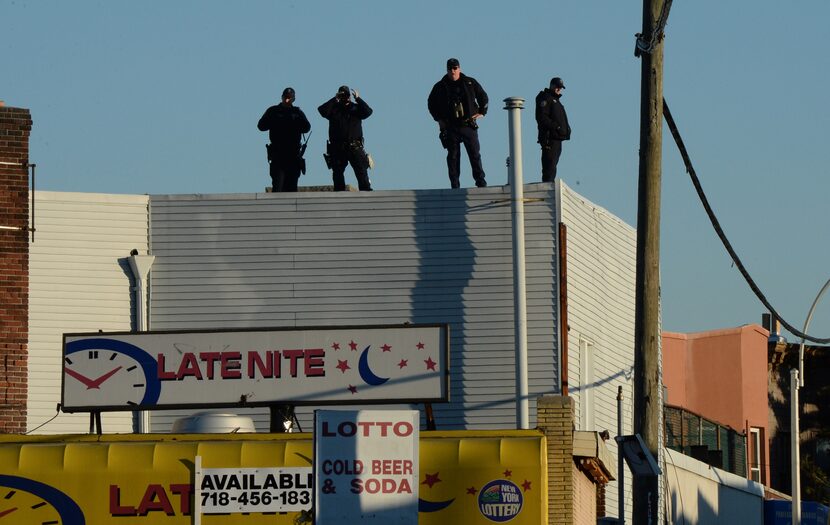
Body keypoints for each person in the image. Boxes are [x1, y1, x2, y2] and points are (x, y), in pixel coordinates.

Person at [428, 58, 489, 189]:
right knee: (453, 157)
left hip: (468, 125)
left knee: (474, 155)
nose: (453, 71)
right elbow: (431, 103)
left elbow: (483, 96)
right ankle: (455, 186)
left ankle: (481, 183)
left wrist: (482, 112)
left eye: (455, 68)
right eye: (450, 69)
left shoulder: (470, 83)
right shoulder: (440, 86)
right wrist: (439, 119)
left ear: (459, 68)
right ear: (447, 70)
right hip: (451, 127)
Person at [318, 85, 373, 191]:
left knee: (361, 170)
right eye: (343, 95)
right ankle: (339, 193)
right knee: (337, 172)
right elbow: (321, 111)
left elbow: (368, 112)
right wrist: (335, 99)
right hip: (338, 147)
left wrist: (358, 99)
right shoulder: (334, 109)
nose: (346, 97)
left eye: (347, 95)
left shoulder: (356, 108)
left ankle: (366, 192)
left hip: (354, 146)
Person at [257, 87, 311, 192]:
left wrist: (295, 120)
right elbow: (261, 126)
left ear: (293, 99)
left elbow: (307, 128)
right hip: (278, 154)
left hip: (293, 154)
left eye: (289, 98)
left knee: (291, 187)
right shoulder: (273, 111)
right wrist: (275, 120)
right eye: (285, 97)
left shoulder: (297, 112)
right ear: (282, 97)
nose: (287, 100)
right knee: (278, 186)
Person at [535, 77, 571, 182]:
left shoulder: (556, 101)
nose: (559, 89)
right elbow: (542, 118)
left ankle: (549, 184)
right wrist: (556, 127)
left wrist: (566, 129)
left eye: (560, 88)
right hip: (549, 138)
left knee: (553, 165)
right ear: (552, 85)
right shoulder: (545, 98)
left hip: (557, 138)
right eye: (557, 87)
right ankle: (547, 187)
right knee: (549, 165)